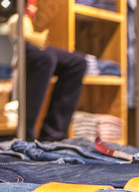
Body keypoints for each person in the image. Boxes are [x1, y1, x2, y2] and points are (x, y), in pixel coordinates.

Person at [8, 0, 86, 141]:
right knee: (44, 59)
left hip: (28, 36)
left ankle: (52, 137)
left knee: (77, 63)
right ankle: (25, 137)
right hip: (15, 37)